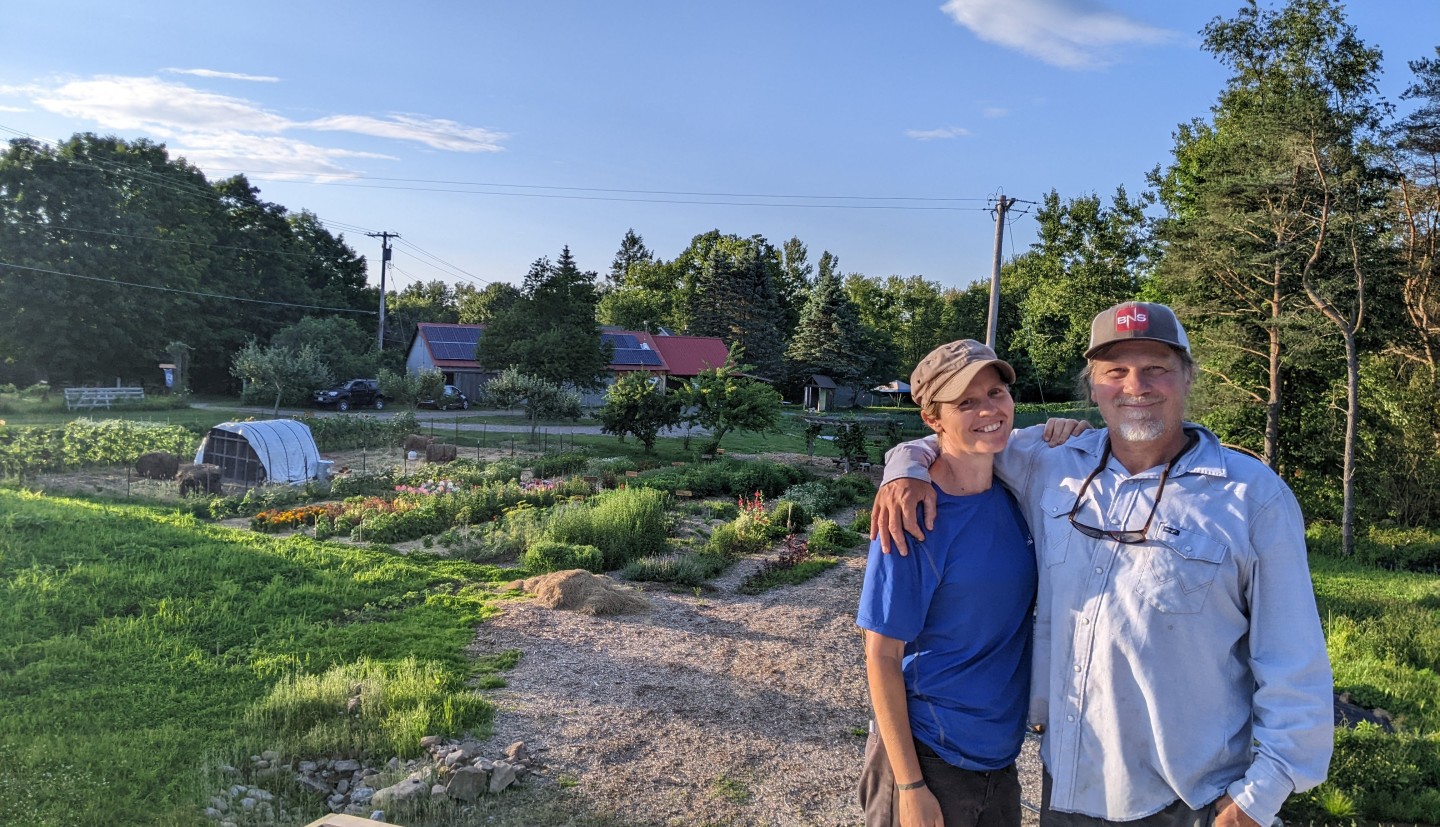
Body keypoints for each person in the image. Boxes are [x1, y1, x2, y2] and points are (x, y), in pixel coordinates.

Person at [871, 302, 1333, 827]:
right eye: (1116, 371)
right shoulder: (1050, 463)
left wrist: (1259, 798)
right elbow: (958, 437)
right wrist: (904, 467)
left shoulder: (1252, 498)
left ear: (1188, 377)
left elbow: (1294, 661)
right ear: (1093, 387)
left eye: (1156, 368)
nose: (1136, 386)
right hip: (1070, 789)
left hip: (1190, 800)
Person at [857, 339, 1087, 827]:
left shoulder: (1013, 493)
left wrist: (1076, 433)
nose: (989, 410)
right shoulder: (913, 517)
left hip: (999, 759)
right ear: (933, 419)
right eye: (966, 402)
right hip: (930, 755)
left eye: (996, 393)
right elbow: (881, 656)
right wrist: (910, 787)